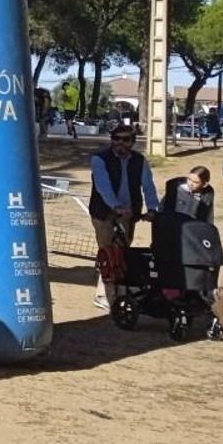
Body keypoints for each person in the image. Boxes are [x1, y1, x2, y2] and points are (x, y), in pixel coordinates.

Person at [89, 124, 159, 310]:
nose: (120, 143)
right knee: (107, 253)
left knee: (121, 252)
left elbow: (148, 186)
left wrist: (153, 208)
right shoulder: (99, 159)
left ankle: (117, 293)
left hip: (128, 214)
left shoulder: (139, 161)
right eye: (116, 138)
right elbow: (102, 186)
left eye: (125, 139)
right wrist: (116, 206)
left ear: (132, 142)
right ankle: (104, 294)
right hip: (103, 212)